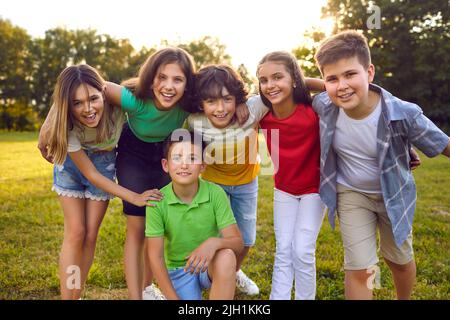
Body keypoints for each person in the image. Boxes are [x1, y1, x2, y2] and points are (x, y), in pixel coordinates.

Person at [312, 30, 450, 300]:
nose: (342, 86)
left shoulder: (403, 113)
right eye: (332, 78)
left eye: (350, 74)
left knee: (397, 260)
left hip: (394, 196)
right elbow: (293, 87)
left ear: (370, 72)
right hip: (351, 194)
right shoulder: (324, 105)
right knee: (360, 267)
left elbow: (443, 143)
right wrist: (319, 83)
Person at [37, 64, 162, 300]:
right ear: (68, 105)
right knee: (76, 232)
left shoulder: (117, 102)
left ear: (103, 93)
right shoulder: (66, 125)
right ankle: (70, 296)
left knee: (91, 234)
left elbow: (153, 90)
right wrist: (134, 196)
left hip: (104, 162)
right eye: (77, 103)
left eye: (93, 99)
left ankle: (78, 290)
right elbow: (89, 173)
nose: (88, 109)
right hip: (72, 166)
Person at [103, 47, 198, 299]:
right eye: (161, 77)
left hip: (164, 155)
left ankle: (147, 288)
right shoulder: (134, 100)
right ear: (150, 78)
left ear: (187, 83)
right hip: (133, 154)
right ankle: (135, 296)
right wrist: (49, 124)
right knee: (137, 225)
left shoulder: (188, 105)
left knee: (155, 225)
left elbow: (228, 92)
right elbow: (87, 86)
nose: (169, 86)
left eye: (177, 79)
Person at [186, 65, 269, 296]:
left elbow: (281, 89)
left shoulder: (250, 110)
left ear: (237, 98)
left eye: (228, 99)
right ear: (201, 103)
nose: (220, 108)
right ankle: (215, 276)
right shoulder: (194, 120)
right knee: (217, 238)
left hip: (246, 184)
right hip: (214, 184)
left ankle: (233, 272)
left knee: (246, 240)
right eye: (211, 101)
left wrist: (245, 101)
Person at [256, 51, 325, 300]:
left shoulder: (313, 109)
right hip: (284, 189)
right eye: (264, 80)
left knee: (303, 250)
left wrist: (302, 81)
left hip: (315, 189)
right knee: (284, 249)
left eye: (277, 77)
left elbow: (336, 88)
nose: (270, 85)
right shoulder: (262, 115)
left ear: (294, 79)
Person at [146, 130, 244, 300]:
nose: (184, 165)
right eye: (177, 158)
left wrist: (213, 243)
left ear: (202, 166)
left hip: (209, 264)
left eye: (192, 158)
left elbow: (237, 243)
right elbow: (156, 257)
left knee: (227, 256)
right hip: (179, 271)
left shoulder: (215, 193)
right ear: (165, 165)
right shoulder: (157, 202)